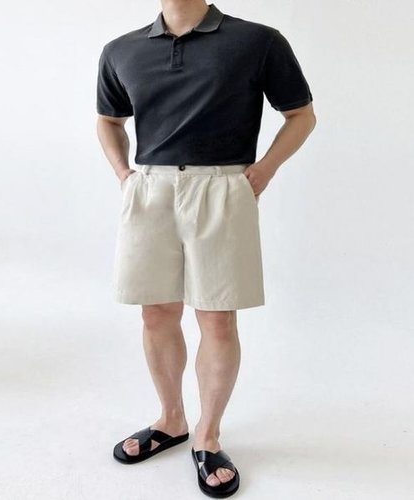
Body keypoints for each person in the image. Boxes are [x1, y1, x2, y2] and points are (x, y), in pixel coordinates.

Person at [96, 1, 316, 497]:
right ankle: (171, 419)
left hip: (223, 186)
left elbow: (301, 115)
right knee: (156, 312)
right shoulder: (120, 50)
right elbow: (108, 120)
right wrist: (125, 175)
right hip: (149, 189)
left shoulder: (257, 41)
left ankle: (208, 435)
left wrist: (263, 170)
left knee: (217, 318)